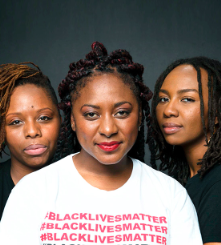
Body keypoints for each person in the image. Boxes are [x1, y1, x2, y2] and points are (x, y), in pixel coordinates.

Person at [0, 43, 202, 245]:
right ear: (72, 120)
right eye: (91, 114)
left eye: (121, 112)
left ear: (140, 116)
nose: (108, 129)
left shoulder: (170, 195)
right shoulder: (32, 192)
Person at [151, 57, 221, 244]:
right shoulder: (183, 181)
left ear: (217, 112)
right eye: (163, 99)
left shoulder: (218, 183)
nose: (169, 110)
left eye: (187, 99)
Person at [0, 62, 61, 220]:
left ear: (61, 120)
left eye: (44, 118)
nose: (33, 131)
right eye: (15, 122)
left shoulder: (85, 184)